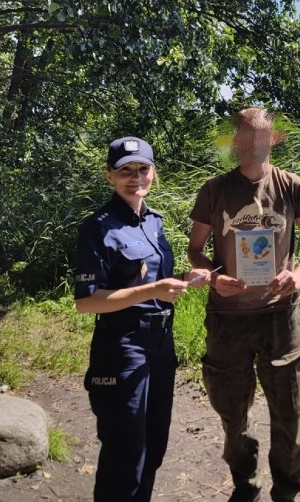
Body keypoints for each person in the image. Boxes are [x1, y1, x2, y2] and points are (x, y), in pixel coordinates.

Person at [187, 108, 300, 502]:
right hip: (228, 319)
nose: (253, 143)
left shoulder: (293, 186)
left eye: (260, 136)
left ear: (271, 140)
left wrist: (297, 276)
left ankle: (288, 491)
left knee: (290, 415)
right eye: (245, 137)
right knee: (233, 413)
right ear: (236, 144)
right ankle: (244, 486)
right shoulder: (214, 190)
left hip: (280, 317)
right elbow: (195, 250)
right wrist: (214, 276)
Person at [74, 136, 212, 502]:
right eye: (125, 171)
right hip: (122, 348)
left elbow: (149, 279)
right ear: (109, 176)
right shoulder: (99, 228)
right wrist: (153, 292)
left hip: (160, 346)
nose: (135, 178)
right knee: (124, 451)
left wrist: (182, 280)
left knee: (154, 444)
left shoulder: (153, 222)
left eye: (142, 169)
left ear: (153, 173)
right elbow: (87, 302)